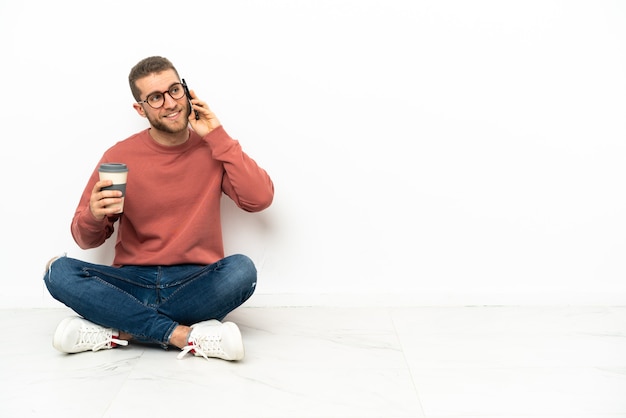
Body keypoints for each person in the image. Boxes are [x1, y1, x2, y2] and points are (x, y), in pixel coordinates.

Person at [43, 56, 274, 361]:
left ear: (187, 91)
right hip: (131, 282)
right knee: (56, 271)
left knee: (243, 270)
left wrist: (218, 135)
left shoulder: (213, 148)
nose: (170, 103)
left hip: (194, 283)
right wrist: (94, 215)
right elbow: (86, 239)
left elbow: (259, 199)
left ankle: (119, 331)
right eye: (155, 97)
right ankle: (182, 335)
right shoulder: (120, 155)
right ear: (141, 109)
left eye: (174, 90)